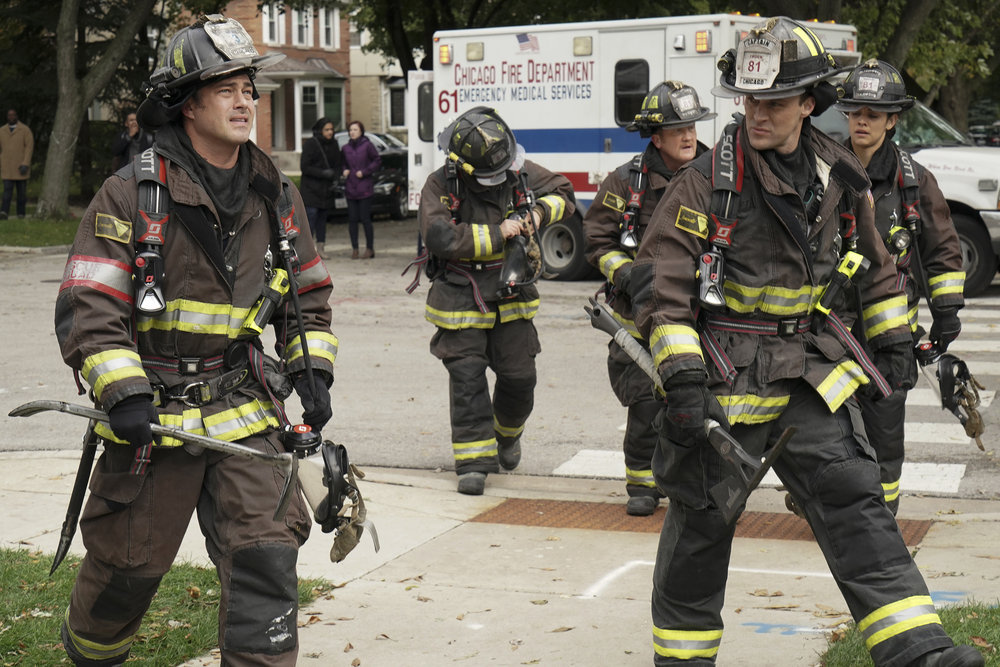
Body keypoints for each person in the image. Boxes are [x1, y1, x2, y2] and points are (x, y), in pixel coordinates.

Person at [630, 16, 984, 667]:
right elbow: (662, 292)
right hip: (723, 384)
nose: (757, 113)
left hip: (806, 378)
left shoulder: (837, 176)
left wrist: (894, 342)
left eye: (774, 100)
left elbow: (876, 268)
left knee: (858, 501)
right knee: (700, 532)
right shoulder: (705, 184)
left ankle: (919, 651)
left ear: (809, 103)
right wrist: (681, 381)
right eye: (749, 100)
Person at [53, 15, 338, 666]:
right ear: (187, 103)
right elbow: (87, 303)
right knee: (127, 570)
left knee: (267, 555)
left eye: (249, 90)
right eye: (225, 90)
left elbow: (308, 295)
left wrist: (312, 371)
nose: (244, 103)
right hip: (154, 416)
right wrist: (123, 392)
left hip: (244, 409)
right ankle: (91, 656)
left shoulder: (275, 195)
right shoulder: (131, 194)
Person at [418, 106, 574, 495]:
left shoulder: (517, 169)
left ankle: (506, 435)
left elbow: (564, 193)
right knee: (467, 381)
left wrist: (539, 213)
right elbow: (439, 237)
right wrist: (497, 233)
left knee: (520, 379)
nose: (499, 178)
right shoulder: (439, 185)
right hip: (460, 297)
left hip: (511, 294)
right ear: (462, 166)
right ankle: (473, 463)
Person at [835, 59, 965, 515]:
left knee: (884, 436)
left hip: (889, 341)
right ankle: (831, 504)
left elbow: (942, 249)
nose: (862, 121)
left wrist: (946, 313)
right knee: (830, 432)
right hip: (829, 334)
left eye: (873, 114)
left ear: (892, 120)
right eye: (855, 112)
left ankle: (881, 518)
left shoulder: (914, 181)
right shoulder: (823, 168)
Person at [583, 80, 715, 516]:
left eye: (692, 127)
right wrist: (629, 276)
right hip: (637, 317)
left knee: (694, 402)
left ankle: (689, 480)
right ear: (656, 138)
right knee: (645, 403)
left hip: (699, 316)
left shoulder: (717, 177)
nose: (689, 136)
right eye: (678, 129)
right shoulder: (625, 182)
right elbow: (597, 241)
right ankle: (641, 482)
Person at [299, 116, 341, 259]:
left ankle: (321, 248)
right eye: (326, 129)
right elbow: (305, 167)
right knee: (310, 220)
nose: (330, 132)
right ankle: (308, 250)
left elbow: (338, 164)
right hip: (311, 189)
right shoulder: (311, 144)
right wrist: (322, 173)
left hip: (326, 190)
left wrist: (336, 177)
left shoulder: (334, 144)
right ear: (320, 130)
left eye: (331, 129)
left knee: (322, 221)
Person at [341, 120, 380, 259]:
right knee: (352, 220)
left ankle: (369, 248)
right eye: (350, 130)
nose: (352, 132)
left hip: (365, 188)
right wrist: (344, 170)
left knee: (365, 219)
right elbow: (343, 163)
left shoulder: (367, 145)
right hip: (351, 187)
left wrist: (365, 172)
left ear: (361, 131)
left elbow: (377, 161)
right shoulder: (345, 148)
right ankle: (355, 248)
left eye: (355, 130)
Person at [0, 108, 33, 219]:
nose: (11, 117)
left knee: (21, 193)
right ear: (7, 117)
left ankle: (21, 213)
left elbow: (29, 148)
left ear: (16, 116)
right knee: (7, 192)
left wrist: (25, 163)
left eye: (13, 115)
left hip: (21, 167)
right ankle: (4, 212)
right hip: (7, 167)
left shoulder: (25, 130)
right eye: (9, 115)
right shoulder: (2, 130)